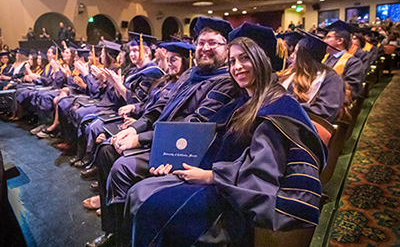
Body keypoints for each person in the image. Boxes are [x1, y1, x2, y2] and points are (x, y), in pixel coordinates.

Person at [125, 28, 326, 247]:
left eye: (245, 58)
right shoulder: (243, 101)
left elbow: (261, 175)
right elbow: (212, 142)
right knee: (139, 191)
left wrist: (211, 176)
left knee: (149, 204)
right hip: (223, 179)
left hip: (240, 196)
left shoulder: (277, 109)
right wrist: (172, 161)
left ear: (264, 60)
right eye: (232, 61)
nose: (237, 67)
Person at [83, 16, 237, 247]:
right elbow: (158, 109)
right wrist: (134, 129)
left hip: (188, 149)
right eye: (201, 42)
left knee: (122, 168)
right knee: (106, 150)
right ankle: (115, 232)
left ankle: (127, 239)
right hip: (162, 138)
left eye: (213, 43)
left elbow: (194, 125)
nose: (205, 48)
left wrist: (140, 139)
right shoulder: (189, 75)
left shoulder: (225, 82)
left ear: (226, 48)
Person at [278, 32, 345, 122]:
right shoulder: (291, 74)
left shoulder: (331, 79)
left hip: (306, 127)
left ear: (305, 58)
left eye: (296, 52)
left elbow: (324, 111)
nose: (292, 56)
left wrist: (286, 108)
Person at [322, 20, 364, 99]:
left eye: (328, 37)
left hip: (335, 104)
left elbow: (351, 91)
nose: (324, 40)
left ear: (340, 41)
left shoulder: (354, 63)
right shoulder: (324, 58)